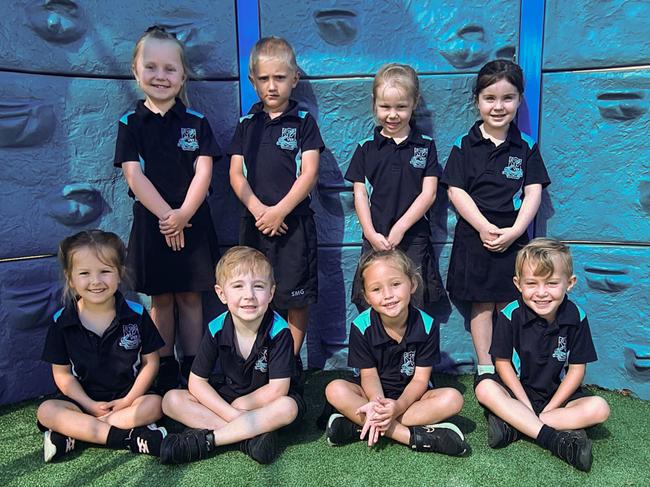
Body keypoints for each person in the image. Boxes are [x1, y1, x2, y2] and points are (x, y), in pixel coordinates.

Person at [113, 26, 221, 391]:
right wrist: (166, 218)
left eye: (170, 68)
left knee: (191, 296)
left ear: (183, 74)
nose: (161, 76)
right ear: (135, 71)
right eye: (152, 67)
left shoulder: (197, 123)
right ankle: (162, 369)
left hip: (192, 223)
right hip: (153, 225)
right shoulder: (130, 124)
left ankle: (193, 367)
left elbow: (203, 171)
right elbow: (134, 175)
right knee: (160, 299)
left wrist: (183, 216)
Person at [440, 60, 550, 380]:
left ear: (519, 100)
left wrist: (516, 230)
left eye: (508, 98)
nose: (498, 106)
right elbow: (455, 192)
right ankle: (486, 367)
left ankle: (508, 364)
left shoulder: (526, 147)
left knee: (510, 304)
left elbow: (533, 194)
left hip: (513, 238)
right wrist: (483, 227)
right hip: (475, 237)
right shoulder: (464, 145)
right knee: (482, 305)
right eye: (490, 98)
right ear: (477, 100)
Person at [475, 238, 610, 471]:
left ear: (570, 283)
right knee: (484, 389)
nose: (541, 293)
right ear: (518, 284)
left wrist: (550, 407)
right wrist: (524, 403)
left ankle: (514, 426)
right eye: (532, 283)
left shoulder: (576, 317)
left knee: (600, 408)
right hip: (517, 392)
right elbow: (503, 363)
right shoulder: (510, 314)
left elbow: (577, 370)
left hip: (556, 396)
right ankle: (554, 438)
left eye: (551, 283)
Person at [228, 37, 324, 364]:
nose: (272, 86)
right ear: (253, 81)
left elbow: (309, 173)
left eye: (280, 78)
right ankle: (260, 359)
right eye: (264, 79)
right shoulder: (246, 124)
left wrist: (280, 211)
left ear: (294, 79)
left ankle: (290, 362)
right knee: (254, 292)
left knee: (296, 297)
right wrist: (259, 211)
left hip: (293, 224)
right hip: (254, 225)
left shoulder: (304, 123)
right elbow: (235, 175)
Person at [159, 247, 304, 465]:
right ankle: (247, 439)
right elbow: (197, 383)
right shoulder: (216, 328)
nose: (249, 296)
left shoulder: (279, 331)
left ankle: (209, 440)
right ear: (221, 293)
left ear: (271, 293)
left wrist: (240, 406)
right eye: (238, 286)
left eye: (259, 286)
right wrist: (233, 414)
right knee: (171, 400)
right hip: (232, 402)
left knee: (288, 407)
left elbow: (278, 389)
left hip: (265, 404)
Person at [36, 230, 166, 462]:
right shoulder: (61, 321)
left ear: (119, 274)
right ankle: (128, 438)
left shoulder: (136, 315)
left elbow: (151, 362)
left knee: (155, 405)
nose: (96, 281)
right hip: (80, 402)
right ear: (71, 278)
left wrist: (127, 401)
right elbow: (63, 375)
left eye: (105, 271)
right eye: (84, 273)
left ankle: (76, 434)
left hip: (128, 400)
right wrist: (89, 404)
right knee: (46, 411)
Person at [323, 249, 467, 456]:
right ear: (366, 297)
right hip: (371, 396)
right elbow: (369, 375)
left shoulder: (427, 325)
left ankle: (357, 426)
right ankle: (411, 437)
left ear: (412, 284)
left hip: (411, 399)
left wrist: (397, 406)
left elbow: (420, 381)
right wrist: (377, 404)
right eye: (376, 289)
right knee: (334, 389)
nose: (388, 295)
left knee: (453, 399)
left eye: (396, 284)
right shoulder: (361, 326)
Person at [345, 63, 444, 315]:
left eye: (401, 107)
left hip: (413, 239)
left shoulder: (425, 146)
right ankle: (377, 353)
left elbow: (429, 193)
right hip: (375, 238)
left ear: (414, 102)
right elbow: (360, 194)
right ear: (374, 103)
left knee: (414, 299)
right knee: (374, 299)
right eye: (385, 107)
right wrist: (370, 232)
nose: (392, 114)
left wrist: (400, 228)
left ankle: (413, 353)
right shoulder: (365, 148)